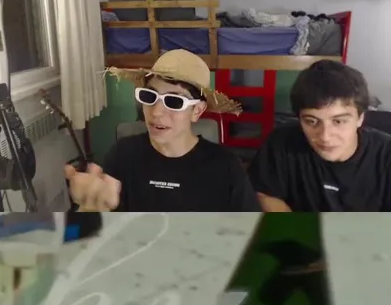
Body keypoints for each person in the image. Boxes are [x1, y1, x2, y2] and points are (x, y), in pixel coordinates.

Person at [65, 49, 259, 212]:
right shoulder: (122, 155)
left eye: (174, 101)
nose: (156, 112)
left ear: (197, 111)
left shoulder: (226, 167)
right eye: (150, 96)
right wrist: (89, 209)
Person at [249, 60, 391, 211]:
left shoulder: (386, 155)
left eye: (338, 121)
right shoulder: (282, 141)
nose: (325, 136)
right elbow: (265, 194)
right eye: (311, 121)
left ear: (360, 118)